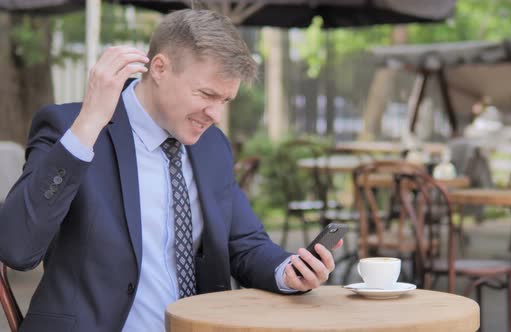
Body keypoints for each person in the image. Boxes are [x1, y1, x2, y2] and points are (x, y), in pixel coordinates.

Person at [0, 9, 342, 332]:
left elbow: (245, 244)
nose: (215, 115)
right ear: (160, 69)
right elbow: (17, 247)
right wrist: (88, 124)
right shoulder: (73, 128)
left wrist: (289, 272)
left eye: (225, 100)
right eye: (207, 94)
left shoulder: (212, 146)